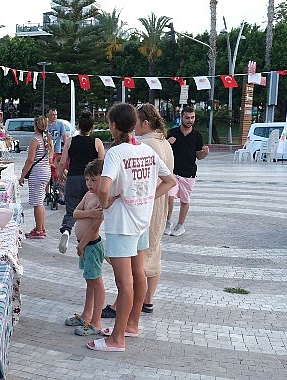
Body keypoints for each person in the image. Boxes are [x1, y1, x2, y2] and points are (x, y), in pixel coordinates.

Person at [87, 103, 175, 352]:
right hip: (141, 221)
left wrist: (105, 204)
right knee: (138, 275)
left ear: (114, 125)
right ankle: (131, 325)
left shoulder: (116, 152)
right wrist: (149, 197)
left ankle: (117, 339)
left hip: (122, 224)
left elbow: (104, 188)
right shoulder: (145, 150)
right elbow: (169, 181)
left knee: (124, 283)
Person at [63, 159, 106, 336]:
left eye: (94, 180)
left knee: (97, 283)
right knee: (89, 281)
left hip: (91, 246)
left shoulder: (101, 200)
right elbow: (75, 213)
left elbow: (94, 227)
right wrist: (88, 213)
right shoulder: (88, 196)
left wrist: (81, 245)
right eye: (87, 180)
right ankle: (86, 314)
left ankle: (96, 321)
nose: (89, 183)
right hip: (84, 247)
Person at [57, 111, 105, 253]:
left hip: (72, 178)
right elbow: (102, 164)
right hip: (92, 181)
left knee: (71, 210)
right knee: (90, 209)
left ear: (78, 126)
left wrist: (60, 175)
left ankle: (66, 230)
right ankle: (88, 237)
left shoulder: (70, 141)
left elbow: (63, 161)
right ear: (93, 127)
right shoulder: (97, 142)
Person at [163, 106, 209, 237]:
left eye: (192, 117)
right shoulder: (172, 133)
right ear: (181, 118)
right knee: (170, 197)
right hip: (172, 172)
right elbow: (163, 151)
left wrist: (204, 153)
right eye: (187, 118)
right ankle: (167, 222)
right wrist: (167, 143)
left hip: (188, 173)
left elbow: (198, 156)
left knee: (185, 200)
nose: (190, 120)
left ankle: (180, 225)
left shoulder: (197, 135)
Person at [18, 115, 53, 239]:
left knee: (37, 203)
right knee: (40, 201)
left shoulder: (35, 140)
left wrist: (22, 176)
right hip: (45, 172)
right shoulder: (47, 140)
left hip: (37, 173)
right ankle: (41, 227)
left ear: (35, 126)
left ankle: (38, 230)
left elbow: (30, 160)